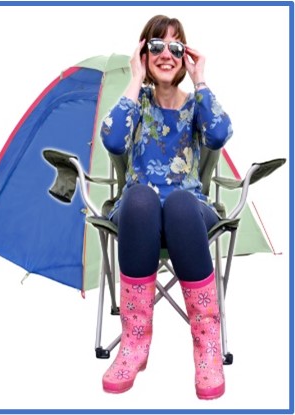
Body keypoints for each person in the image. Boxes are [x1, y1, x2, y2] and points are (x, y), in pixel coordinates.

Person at [100, 15, 233, 400]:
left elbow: (220, 133)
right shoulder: (136, 103)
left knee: (178, 202)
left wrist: (201, 79)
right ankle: (134, 342)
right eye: (156, 45)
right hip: (139, 215)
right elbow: (112, 140)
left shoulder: (195, 106)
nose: (166, 53)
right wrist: (133, 78)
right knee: (139, 198)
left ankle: (207, 345)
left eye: (176, 47)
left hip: (188, 213)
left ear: (184, 57)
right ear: (143, 52)